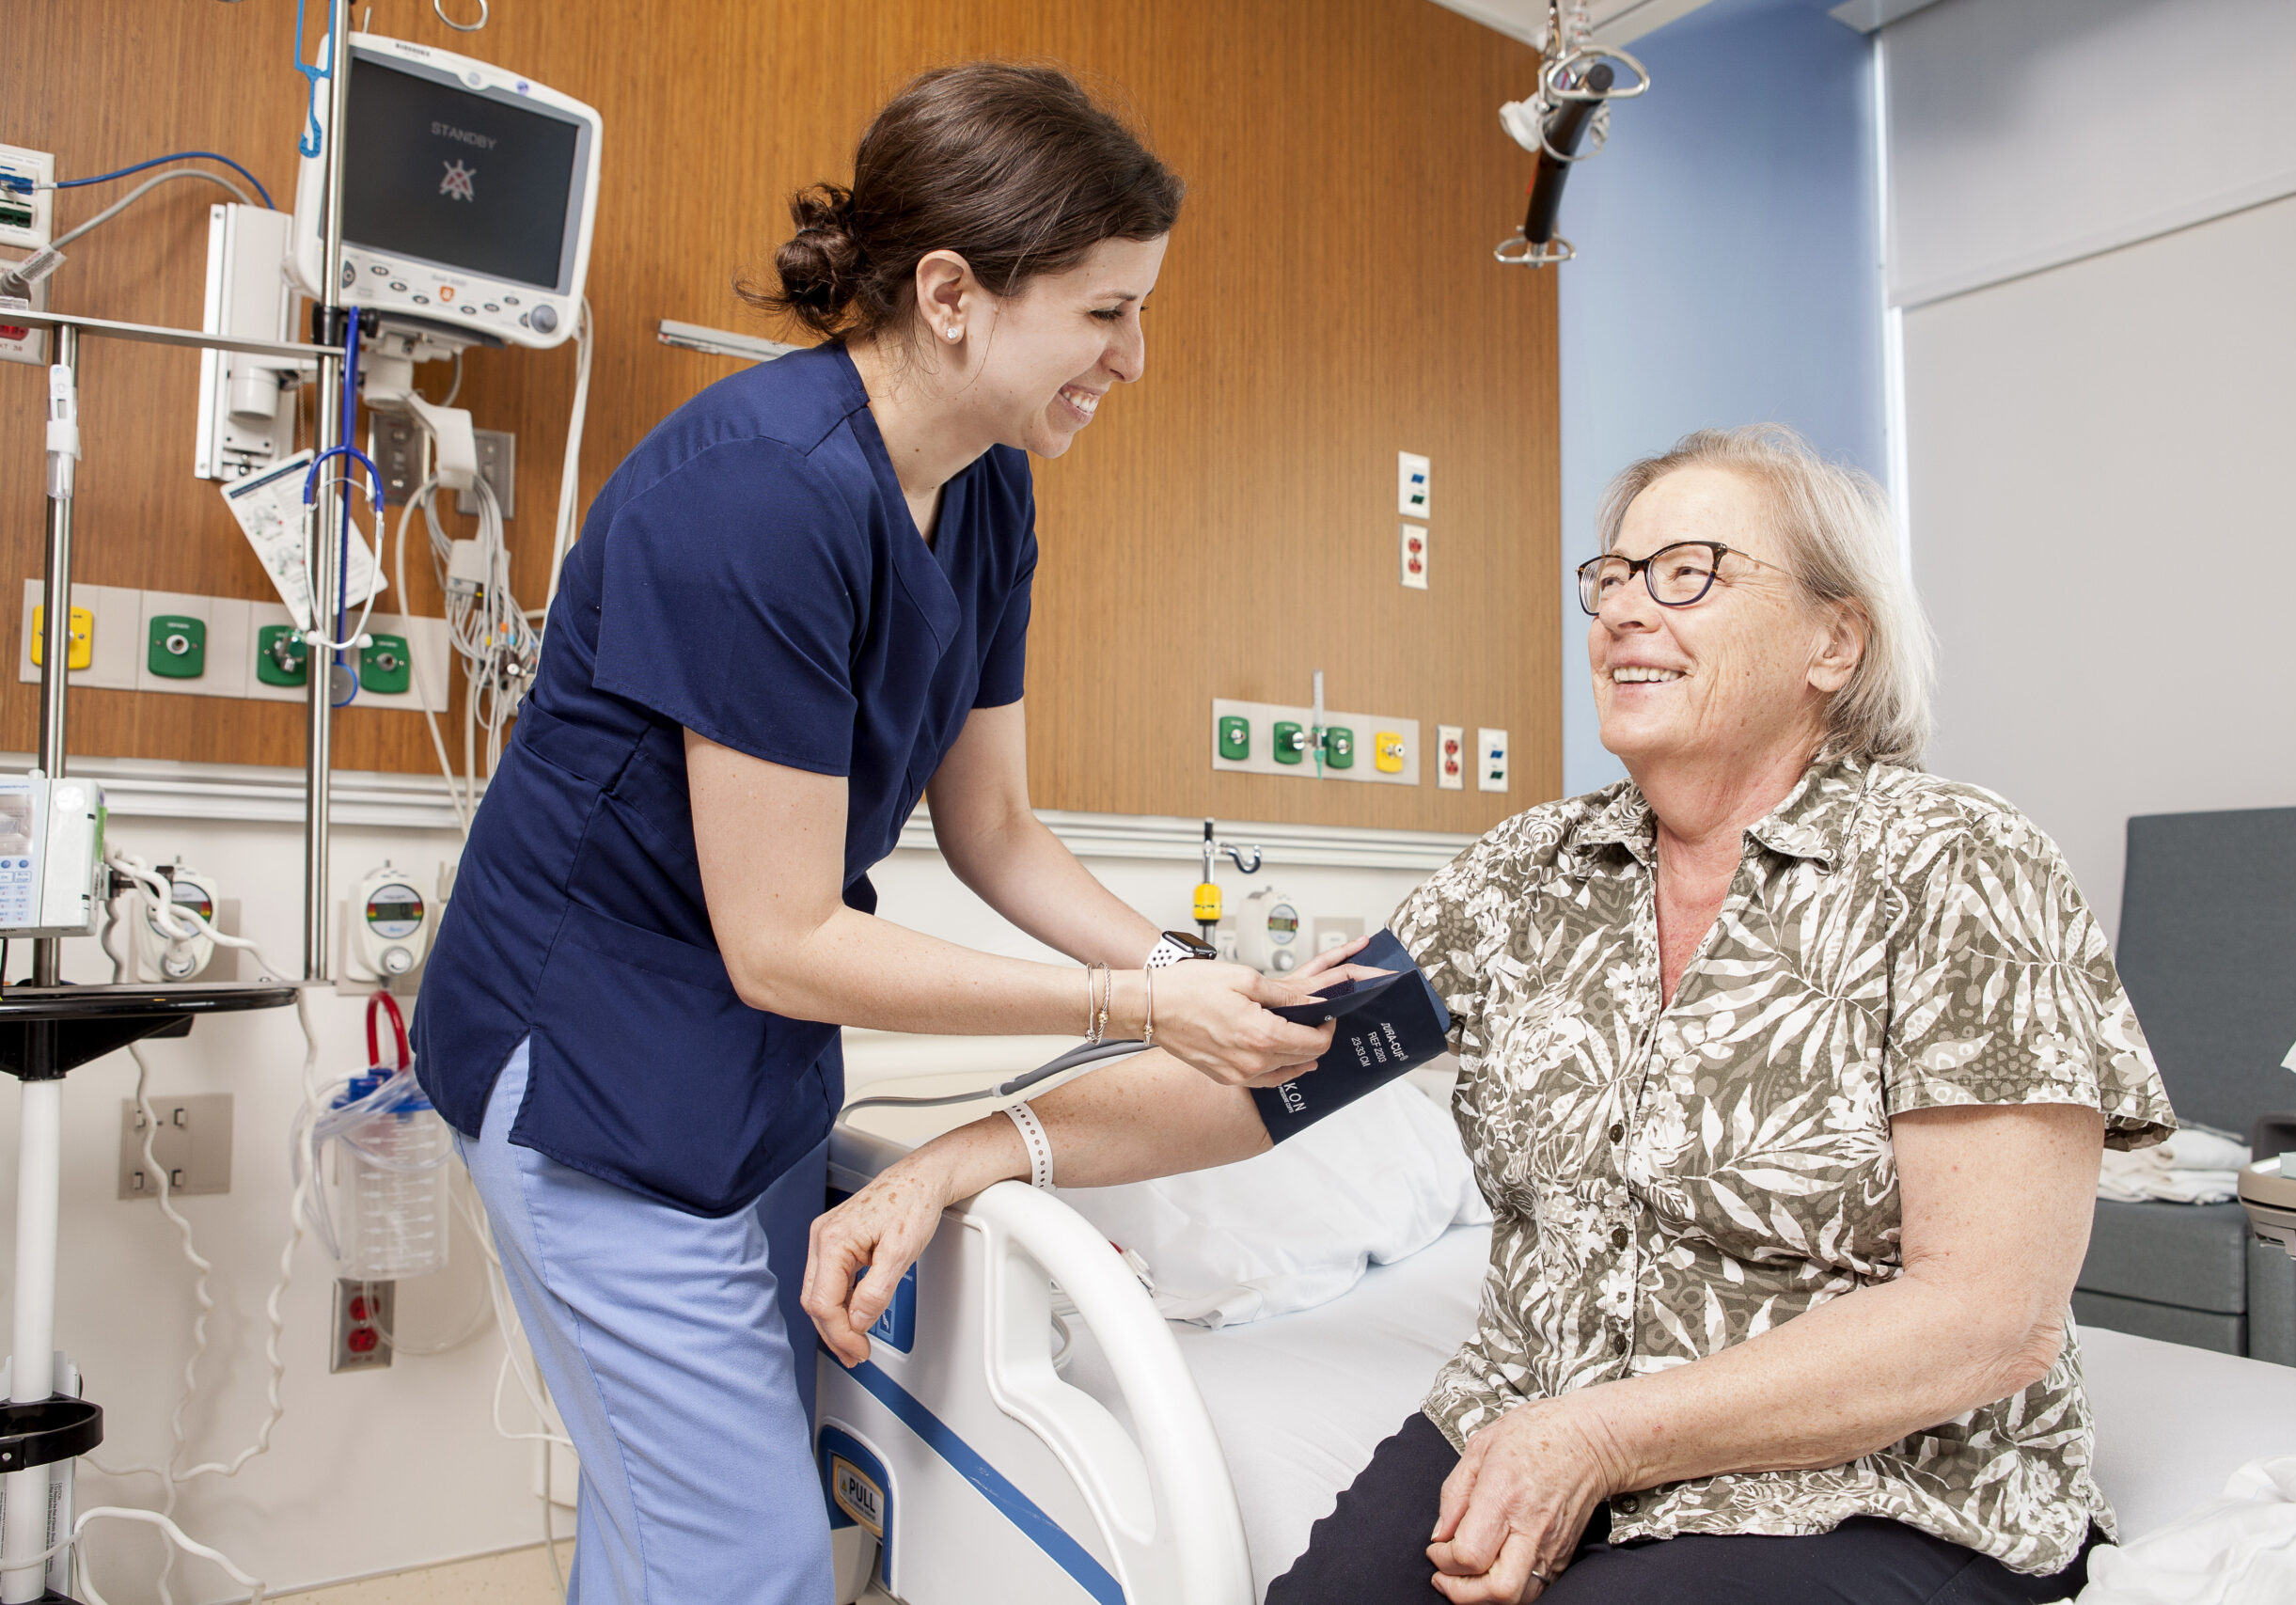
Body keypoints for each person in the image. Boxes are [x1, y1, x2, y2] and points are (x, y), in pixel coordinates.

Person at [805, 425, 2176, 1605]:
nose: (1627, 609)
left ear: (1836, 636)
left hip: (1861, 1472)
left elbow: (1986, 1315)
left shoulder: (1957, 864)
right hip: (1525, 1411)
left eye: (1688, 573)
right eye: (1614, 576)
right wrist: (964, 1154)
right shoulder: (1529, 876)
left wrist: (1606, 1438)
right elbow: (1265, 1073)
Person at [411, 63, 1366, 1605]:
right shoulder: (757, 498)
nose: (1135, 358)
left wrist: (1199, 978)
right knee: (750, 1562)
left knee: (677, 1523)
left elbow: (995, 832)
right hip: (589, 1059)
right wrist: (1134, 1009)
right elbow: (783, 938)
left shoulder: (986, 496)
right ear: (951, 294)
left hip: (750, 1066)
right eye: (1105, 311)